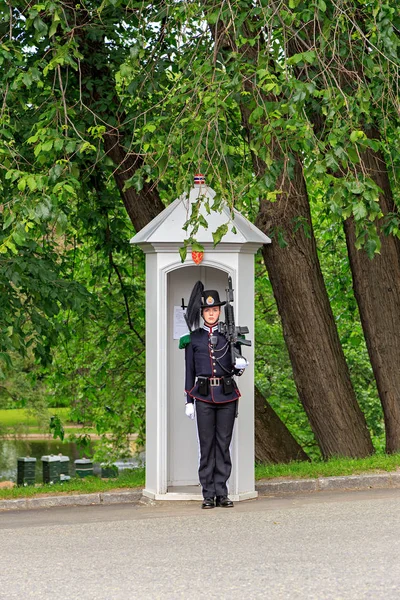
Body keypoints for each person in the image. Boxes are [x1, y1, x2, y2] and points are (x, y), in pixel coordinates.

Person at [182, 281, 247, 509]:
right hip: (203, 396)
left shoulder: (230, 335)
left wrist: (240, 365)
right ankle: (208, 493)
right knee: (206, 445)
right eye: (208, 311)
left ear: (220, 311)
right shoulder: (194, 338)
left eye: (215, 310)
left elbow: (238, 368)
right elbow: (189, 371)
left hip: (227, 395)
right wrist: (189, 400)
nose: (212, 314)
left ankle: (222, 492)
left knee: (223, 445)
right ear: (202, 313)